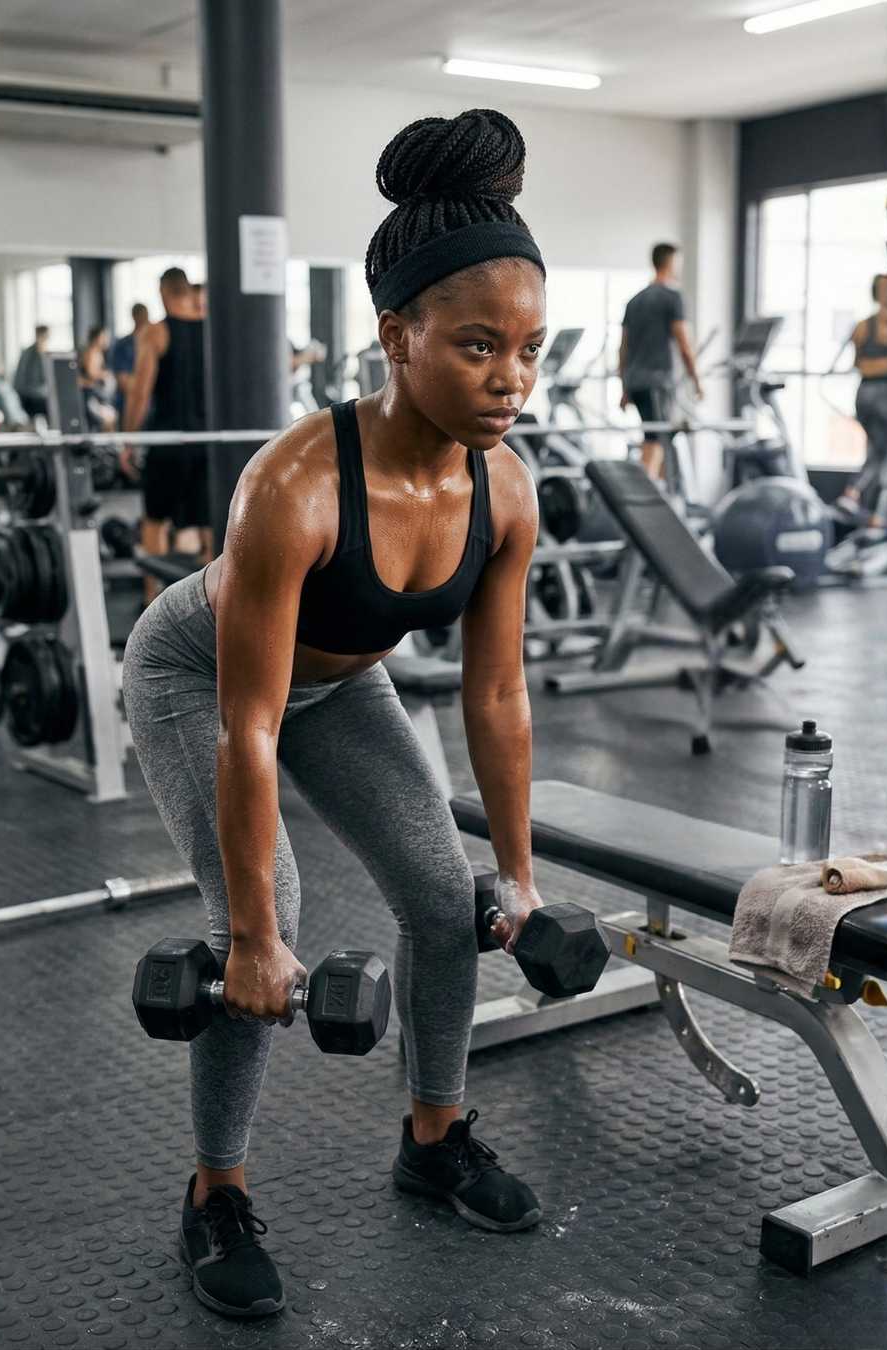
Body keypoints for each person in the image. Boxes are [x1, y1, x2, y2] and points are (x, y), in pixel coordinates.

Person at [122, 107, 547, 1321]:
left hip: (341, 680)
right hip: (198, 678)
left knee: (441, 894)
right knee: (259, 917)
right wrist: (255, 941)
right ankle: (216, 1193)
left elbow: (499, 691)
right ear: (396, 335)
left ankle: (435, 1135)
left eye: (530, 349)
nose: (509, 379)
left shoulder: (505, 488)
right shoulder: (296, 486)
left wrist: (515, 876)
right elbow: (245, 725)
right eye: (477, 347)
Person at [122, 268, 210, 601]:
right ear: (188, 291)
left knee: (154, 522)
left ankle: (152, 602)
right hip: (207, 442)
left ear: (163, 292)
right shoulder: (213, 331)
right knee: (208, 526)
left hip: (167, 441)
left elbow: (139, 392)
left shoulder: (156, 332)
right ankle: (209, 607)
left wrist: (127, 440)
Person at [619, 242, 703, 479]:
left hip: (636, 381)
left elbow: (623, 348)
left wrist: (624, 388)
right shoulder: (672, 297)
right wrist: (698, 381)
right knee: (654, 441)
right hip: (657, 383)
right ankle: (642, 505)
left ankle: (663, 498)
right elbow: (685, 345)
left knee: (661, 439)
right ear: (671, 262)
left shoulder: (634, 301)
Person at [838, 274, 887, 527]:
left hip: (866, 395)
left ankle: (856, 496)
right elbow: (862, 365)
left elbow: (861, 365)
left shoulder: (865, 325)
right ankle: (878, 515)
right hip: (880, 397)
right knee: (885, 454)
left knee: (877, 452)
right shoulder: (868, 327)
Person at [108, 303, 151, 421]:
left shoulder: (154, 344)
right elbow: (123, 380)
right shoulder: (123, 344)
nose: (144, 319)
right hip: (128, 405)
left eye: (146, 315)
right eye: (141, 315)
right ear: (134, 317)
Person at [79, 325, 116, 431]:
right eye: (103, 337)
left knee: (110, 417)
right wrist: (104, 374)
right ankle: (106, 446)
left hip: (97, 396)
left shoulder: (98, 353)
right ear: (97, 338)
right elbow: (91, 374)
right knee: (108, 418)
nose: (106, 340)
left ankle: (107, 445)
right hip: (88, 397)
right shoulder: (91, 352)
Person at [13, 325, 50, 422]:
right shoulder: (28, 353)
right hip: (29, 397)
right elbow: (20, 379)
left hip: (40, 395)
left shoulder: (46, 354)